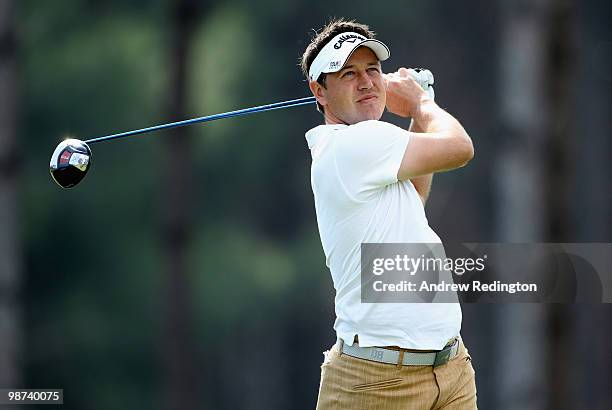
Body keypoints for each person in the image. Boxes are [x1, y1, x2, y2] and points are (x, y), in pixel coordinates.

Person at [300, 19, 477, 409]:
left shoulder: (371, 151)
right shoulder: (355, 144)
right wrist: (421, 104)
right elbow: (460, 148)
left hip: (450, 370)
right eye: (348, 74)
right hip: (376, 384)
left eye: (372, 70)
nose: (366, 82)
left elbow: (413, 197)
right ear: (320, 92)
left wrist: (418, 110)